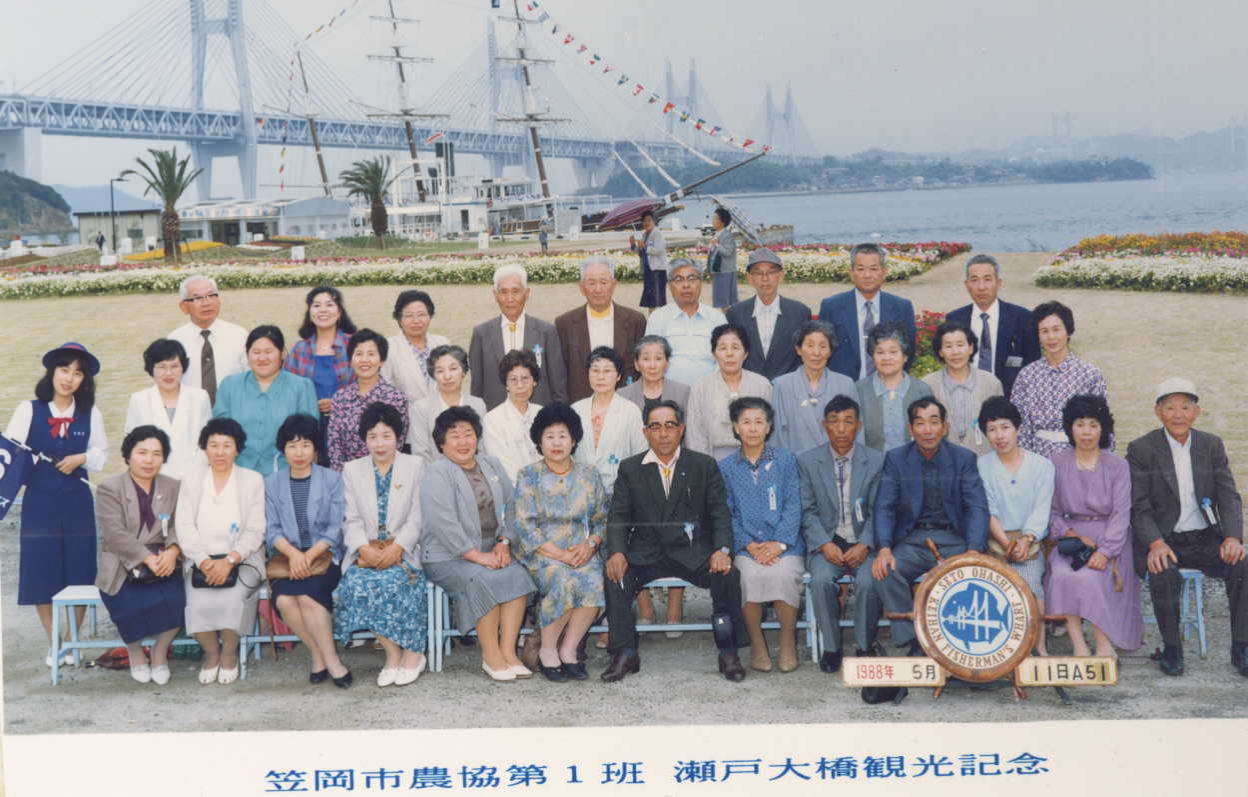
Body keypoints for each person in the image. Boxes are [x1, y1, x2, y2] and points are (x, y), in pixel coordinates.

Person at [601, 400, 748, 683]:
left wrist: (722, 550)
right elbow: (618, 516)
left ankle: (728, 651)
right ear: (645, 432)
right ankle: (624, 652)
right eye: (655, 427)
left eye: (670, 425)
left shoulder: (703, 465)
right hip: (647, 553)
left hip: (693, 552)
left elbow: (719, 513)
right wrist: (617, 552)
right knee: (615, 575)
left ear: (681, 429)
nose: (663, 433)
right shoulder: (631, 468)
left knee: (727, 574)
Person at [1128, 378, 1246, 677]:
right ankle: (1172, 649)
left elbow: (1228, 496)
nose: (1178, 414)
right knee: (1162, 569)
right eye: (1170, 407)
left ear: (1196, 412)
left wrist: (1233, 537)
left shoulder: (1211, 445)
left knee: (1243, 564)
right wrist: (1155, 542)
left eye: (1185, 407)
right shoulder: (1142, 448)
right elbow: (1138, 505)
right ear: (1158, 412)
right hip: (1165, 538)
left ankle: (1242, 647)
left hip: (1204, 537)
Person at [4, 342, 108, 667]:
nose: (69, 378)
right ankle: (55, 642)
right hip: (39, 502)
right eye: (64, 370)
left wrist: (82, 457)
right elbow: (10, 455)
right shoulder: (28, 409)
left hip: (77, 502)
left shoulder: (91, 414)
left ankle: (73, 639)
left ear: (84, 380)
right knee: (41, 570)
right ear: (52, 372)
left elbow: (101, 455)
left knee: (80, 569)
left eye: (77, 373)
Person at [420, 406, 536, 681]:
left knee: (517, 574)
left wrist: (504, 541)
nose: (463, 442)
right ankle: (491, 655)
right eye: (454, 436)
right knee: (485, 578)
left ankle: (508, 652)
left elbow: (512, 505)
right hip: (446, 556)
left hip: (492, 550)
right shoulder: (437, 472)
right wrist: (476, 556)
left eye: (468, 434)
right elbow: (443, 524)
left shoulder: (491, 464)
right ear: (442, 443)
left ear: (477, 437)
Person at [868, 398, 990, 658]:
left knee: (972, 573)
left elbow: (977, 507)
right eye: (920, 423)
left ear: (945, 427)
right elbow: (884, 507)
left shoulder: (963, 458)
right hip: (913, 539)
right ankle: (913, 641)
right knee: (885, 570)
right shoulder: (896, 459)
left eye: (934, 422)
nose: (927, 430)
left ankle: (959, 642)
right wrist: (884, 548)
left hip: (954, 539)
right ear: (910, 429)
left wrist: (974, 549)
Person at [334, 403, 429, 687]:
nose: (379, 443)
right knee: (358, 583)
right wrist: (363, 548)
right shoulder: (352, 470)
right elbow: (350, 519)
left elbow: (418, 517)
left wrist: (397, 548)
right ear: (364, 439)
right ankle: (392, 654)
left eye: (386, 436)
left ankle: (413, 652)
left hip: (405, 551)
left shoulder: (415, 466)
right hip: (366, 552)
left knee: (397, 581)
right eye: (373, 436)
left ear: (398, 437)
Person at [512, 404, 608, 682]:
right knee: (563, 579)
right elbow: (525, 526)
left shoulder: (589, 474)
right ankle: (547, 650)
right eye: (549, 436)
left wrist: (590, 545)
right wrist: (560, 555)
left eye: (562, 436)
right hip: (541, 552)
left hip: (580, 549)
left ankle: (569, 649)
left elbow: (602, 519)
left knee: (594, 581)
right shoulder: (528, 475)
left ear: (574, 440)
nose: (556, 443)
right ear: (539, 442)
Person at [1045, 394, 1141, 657]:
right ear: (1070, 428)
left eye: (1093, 425)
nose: (1086, 432)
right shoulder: (1056, 462)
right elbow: (1051, 511)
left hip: (1110, 538)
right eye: (1080, 424)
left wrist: (1106, 552)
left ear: (1103, 429)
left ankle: (1103, 644)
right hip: (1071, 538)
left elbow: (1121, 513)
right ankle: (1078, 645)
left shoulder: (1117, 466)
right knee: (1062, 574)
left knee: (1091, 576)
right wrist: (1068, 533)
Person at [175, 417, 265, 686]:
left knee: (233, 598)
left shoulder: (252, 480)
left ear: (237, 449)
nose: (220, 452)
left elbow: (256, 529)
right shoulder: (191, 480)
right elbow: (184, 525)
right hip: (199, 560)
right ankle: (212, 653)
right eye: (213, 445)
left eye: (227, 445)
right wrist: (203, 561)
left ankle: (229, 653)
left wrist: (230, 560)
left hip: (243, 558)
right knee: (197, 600)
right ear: (205, 449)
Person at [798, 395, 884, 673]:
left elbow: (880, 510)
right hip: (827, 541)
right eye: (834, 422)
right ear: (825, 425)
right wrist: (824, 544)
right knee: (821, 580)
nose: (841, 429)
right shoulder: (808, 461)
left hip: (863, 542)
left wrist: (866, 543)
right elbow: (807, 510)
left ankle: (864, 645)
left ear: (858, 425)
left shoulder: (876, 460)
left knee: (869, 581)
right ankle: (832, 647)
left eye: (848, 422)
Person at [264, 414, 352, 688]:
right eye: (292, 446)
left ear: (315, 448)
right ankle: (319, 655)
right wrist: (294, 555)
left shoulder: (332, 479)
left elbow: (336, 527)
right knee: (285, 600)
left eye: (305, 445)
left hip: (324, 555)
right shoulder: (272, 482)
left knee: (308, 597)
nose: (299, 452)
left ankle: (332, 661)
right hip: (287, 556)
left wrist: (309, 555)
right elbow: (271, 529)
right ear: (283, 449)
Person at [719, 397, 803, 673]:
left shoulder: (786, 460)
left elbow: (793, 504)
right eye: (746, 422)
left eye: (759, 422)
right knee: (747, 576)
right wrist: (749, 545)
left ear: (769, 427)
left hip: (784, 543)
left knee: (784, 574)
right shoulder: (726, 467)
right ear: (736, 427)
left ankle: (787, 643)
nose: (753, 428)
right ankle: (758, 645)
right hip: (747, 546)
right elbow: (726, 513)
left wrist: (779, 543)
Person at [94, 425, 183, 685]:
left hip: (164, 559)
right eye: (142, 452)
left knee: (180, 598)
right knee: (126, 603)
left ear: (164, 457)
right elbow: (114, 533)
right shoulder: (109, 488)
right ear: (128, 455)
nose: (149, 460)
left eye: (156, 454)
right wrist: (146, 558)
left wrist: (173, 551)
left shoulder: (173, 486)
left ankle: (159, 653)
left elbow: (181, 525)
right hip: (122, 561)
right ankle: (135, 652)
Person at [976, 397, 1055, 654]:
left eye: (1005, 427)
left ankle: (1039, 646)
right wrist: (1006, 543)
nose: (999, 435)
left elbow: (1042, 508)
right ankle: (1001, 649)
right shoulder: (981, 466)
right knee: (994, 590)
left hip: (1030, 542)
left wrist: (1026, 539)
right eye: (992, 429)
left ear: (1018, 428)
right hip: (995, 541)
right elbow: (988, 510)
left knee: (1031, 587)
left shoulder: (1042, 466)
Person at [213, 325, 319, 476]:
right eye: (256, 352)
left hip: (286, 472)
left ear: (282, 353)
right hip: (238, 472)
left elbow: (310, 437)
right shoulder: (230, 385)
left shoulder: (301, 386)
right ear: (247, 354)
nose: (262, 358)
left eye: (269, 352)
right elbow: (219, 433)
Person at [1011, 300, 1109, 459]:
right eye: (1044, 331)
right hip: (1037, 457)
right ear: (1037, 335)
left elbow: (1103, 424)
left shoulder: (1089, 374)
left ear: (1068, 331)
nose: (1051, 337)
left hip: (1080, 457)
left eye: (1056, 329)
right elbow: (1019, 425)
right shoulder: (1026, 376)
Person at [468, 264, 568, 410]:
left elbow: (558, 386)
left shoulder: (546, 331)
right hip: (496, 416)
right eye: (503, 292)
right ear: (495, 295)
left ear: (527, 293)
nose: (510, 298)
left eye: (515, 291)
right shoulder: (481, 334)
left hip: (539, 415)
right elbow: (476, 389)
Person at [818, 243, 917, 382]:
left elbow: (909, 351)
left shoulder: (901, 307)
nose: (867, 275)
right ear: (851, 273)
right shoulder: (832, 306)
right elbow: (822, 350)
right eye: (861, 269)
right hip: (844, 388)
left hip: (888, 386)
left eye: (873, 269)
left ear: (884, 272)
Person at [554, 256, 647, 403]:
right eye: (591, 283)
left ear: (614, 284)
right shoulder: (565, 324)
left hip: (624, 405)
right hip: (580, 406)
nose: (598, 289)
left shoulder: (635, 321)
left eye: (603, 282)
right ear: (582, 287)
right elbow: (559, 375)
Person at [946, 254, 1039, 399]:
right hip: (965, 398)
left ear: (999, 283)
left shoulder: (1022, 318)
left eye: (987, 279)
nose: (981, 287)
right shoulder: (955, 319)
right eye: (974, 280)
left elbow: (1033, 365)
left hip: (1009, 400)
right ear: (967, 285)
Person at [283, 286, 358, 463]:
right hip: (309, 431)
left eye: (329, 305)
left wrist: (339, 403)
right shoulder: (299, 350)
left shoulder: (355, 345)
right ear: (310, 313)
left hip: (349, 427)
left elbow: (367, 384)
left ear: (339, 312)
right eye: (316, 305)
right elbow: (287, 390)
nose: (323, 310)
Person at [123, 338, 212, 480]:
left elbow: (207, 441)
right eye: (161, 367)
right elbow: (131, 444)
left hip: (195, 476)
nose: (169, 373)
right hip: (154, 477)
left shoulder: (200, 397)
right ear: (151, 369)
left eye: (174, 366)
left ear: (183, 367)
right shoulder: (139, 400)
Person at [685, 323, 773, 460]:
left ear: (745, 353)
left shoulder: (762, 385)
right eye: (723, 348)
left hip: (756, 459)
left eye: (735, 347)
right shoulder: (701, 387)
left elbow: (770, 430)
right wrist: (705, 467)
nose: (729, 354)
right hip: (712, 460)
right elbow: (695, 435)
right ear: (714, 354)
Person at [326, 329, 407, 471]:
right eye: (359, 354)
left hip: (386, 473)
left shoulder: (396, 398)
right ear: (351, 360)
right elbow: (334, 445)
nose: (364, 360)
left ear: (382, 361)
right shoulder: (340, 398)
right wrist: (344, 476)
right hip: (347, 475)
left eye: (371, 354)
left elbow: (397, 443)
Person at [723, 247, 810, 380]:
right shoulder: (735, 313)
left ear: (780, 275)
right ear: (750, 278)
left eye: (771, 272)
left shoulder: (800, 313)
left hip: (788, 387)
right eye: (758, 273)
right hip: (748, 387)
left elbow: (804, 357)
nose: (765, 278)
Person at [771, 321, 856, 455]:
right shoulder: (782, 385)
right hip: (796, 464)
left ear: (830, 351)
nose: (816, 353)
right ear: (799, 349)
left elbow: (855, 433)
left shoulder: (846, 384)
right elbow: (777, 437)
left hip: (836, 463)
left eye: (823, 346)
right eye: (810, 345)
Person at [922, 320, 1004, 456]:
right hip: (940, 460)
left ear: (971, 348)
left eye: (960, 345)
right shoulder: (927, 385)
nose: (955, 352)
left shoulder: (991, 383)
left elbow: (1001, 426)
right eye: (948, 346)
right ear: (940, 352)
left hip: (984, 459)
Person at [572, 347, 647, 494]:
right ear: (588, 374)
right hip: (580, 492)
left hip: (619, 492)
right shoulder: (576, 409)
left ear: (618, 376)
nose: (600, 377)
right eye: (595, 370)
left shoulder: (630, 411)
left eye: (607, 371)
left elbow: (640, 454)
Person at [643, 258, 727, 387]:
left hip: (710, 390)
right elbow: (650, 359)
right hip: (668, 392)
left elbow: (725, 359)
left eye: (692, 279)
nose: (686, 285)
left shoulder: (716, 318)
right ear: (670, 285)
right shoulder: (658, 318)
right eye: (678, 280)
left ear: (701, 283)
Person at [167, 275, 248, 405]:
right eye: (198, 298)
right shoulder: (174, 340)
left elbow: (252, 378)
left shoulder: (239, 335)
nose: (206, 303)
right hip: (190, 411)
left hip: (232, 410)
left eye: (211, 295)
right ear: (184, 307)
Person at [854, 321, 932, 451]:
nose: (886, 357)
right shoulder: (858, 390)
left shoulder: (922, 390)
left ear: (905, 356)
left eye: (893, 352)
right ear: (872, 356)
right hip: (871, 463)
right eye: (880, 352)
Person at [409, 345, 487, 461]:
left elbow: (482, 448)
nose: (447, 376)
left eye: (453, 369)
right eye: (440, 371)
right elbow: (420, 454)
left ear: (463, 372)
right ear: (433, 375)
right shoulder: (421, 408)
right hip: (435, 471)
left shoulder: (478, 404)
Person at [380, 290, 449, 414]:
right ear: (399, 319)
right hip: (405, 416)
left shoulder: (442, 343)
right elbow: (384, 388)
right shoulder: (389, 348)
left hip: (443, 415)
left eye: (421, 314)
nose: (416, 321)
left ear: (430, 316)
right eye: (409, 315)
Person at [481, 349, 543, 481]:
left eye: (525, 378)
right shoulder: (492, 420)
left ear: (534, 381)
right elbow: (502, 465)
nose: (520, 386)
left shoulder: (543, 413)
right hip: (514, 487)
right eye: (513, 379)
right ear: (506, 384)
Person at [618, 335, 692, 418]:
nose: (652, 366)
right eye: (646, 359)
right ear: (636, 365)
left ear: (667, 364)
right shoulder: (623, 395)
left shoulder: (683, 393)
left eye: (658, 359)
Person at [631, 210, 667, 310]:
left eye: (649, 220)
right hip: (648, 270)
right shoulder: (644, 235)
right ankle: (652, 318)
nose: (646, 223)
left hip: (657, 270)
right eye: (644, 221)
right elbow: (641, 253)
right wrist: (633, 245)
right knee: (650, 301)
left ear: (654, 221)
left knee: (658, 300)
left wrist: (645, 247)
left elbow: (659, 250)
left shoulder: (658, 234)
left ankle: (660, 319)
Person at [706, 207, 738, 308]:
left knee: (725, 302)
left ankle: (730, 318)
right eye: (713, 218)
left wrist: (716, 244)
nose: (713, 221)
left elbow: (728, 252)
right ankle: (727, 317)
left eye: (715, 218)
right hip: (718, 271)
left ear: (722, 221)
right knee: (721, 301)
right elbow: (713, 253)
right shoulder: (717, 234)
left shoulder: (727, 235)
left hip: (725, 271)